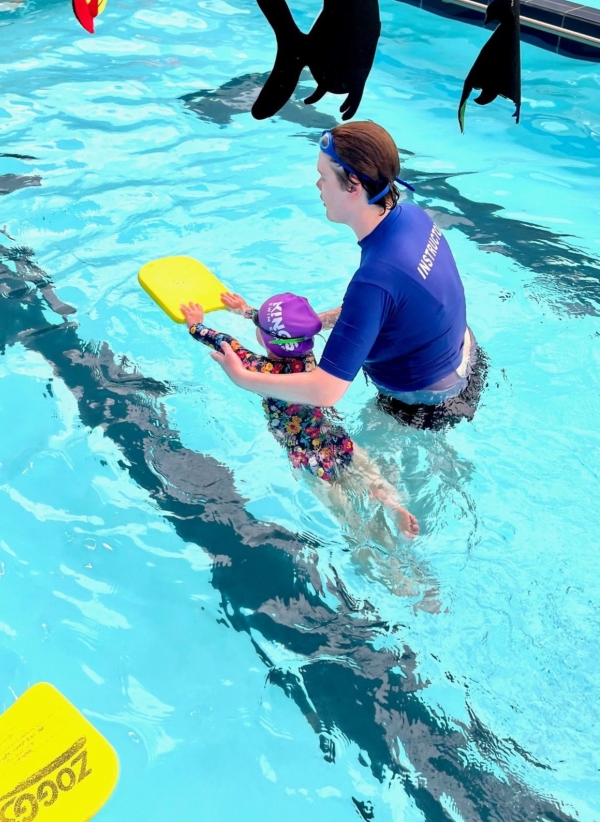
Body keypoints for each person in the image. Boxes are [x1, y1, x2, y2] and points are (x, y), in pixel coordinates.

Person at [210, 121, 487, 432]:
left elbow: (326, 391)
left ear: (353, 185)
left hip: (425, 404)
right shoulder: (413, 216)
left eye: (324, 176)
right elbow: (395, 302)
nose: (318, 185)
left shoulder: (374, 279)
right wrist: (320, 321)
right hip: (468, 358)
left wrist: (242, 377)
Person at [180, 292, 420, 537]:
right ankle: (391, 503)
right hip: (335, 439)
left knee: (349, 520)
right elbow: (285, 330)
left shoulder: (262, 370)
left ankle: (369, 541)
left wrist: (195, 325)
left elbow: (224, 342)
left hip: (307, 457)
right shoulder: (307, 358)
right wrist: (246, 310)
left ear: (267, 339)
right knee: (371, 477)